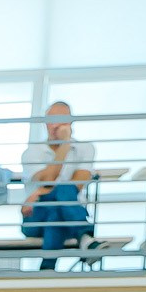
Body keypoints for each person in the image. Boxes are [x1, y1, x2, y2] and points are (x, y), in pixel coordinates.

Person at [19, 103, 96, 271]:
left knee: (57, 209)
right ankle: (85, 235)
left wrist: (40, 192)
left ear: (71, 123)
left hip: (65, 217)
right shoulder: (32, 152)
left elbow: (77, 185)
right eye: (51, 120)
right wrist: (65, 145)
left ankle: (47, 269)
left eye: (61, 121)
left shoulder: (86, 148)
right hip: (35, 217)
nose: (55, 126)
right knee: (60, 196)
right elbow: (48, 179)